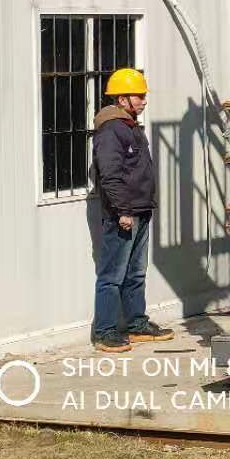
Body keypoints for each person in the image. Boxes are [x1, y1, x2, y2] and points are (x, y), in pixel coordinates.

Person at [91, 68, 174, 353]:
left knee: (136, 273)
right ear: (122, 98)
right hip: (123, 215)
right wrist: (123, 211)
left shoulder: (130, 126)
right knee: (112, 276)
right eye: (139, 96)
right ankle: (104, 332)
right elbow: (110, 175)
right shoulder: (111, 130)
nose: (144, 101)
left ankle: (136, 324)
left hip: (140, 210)